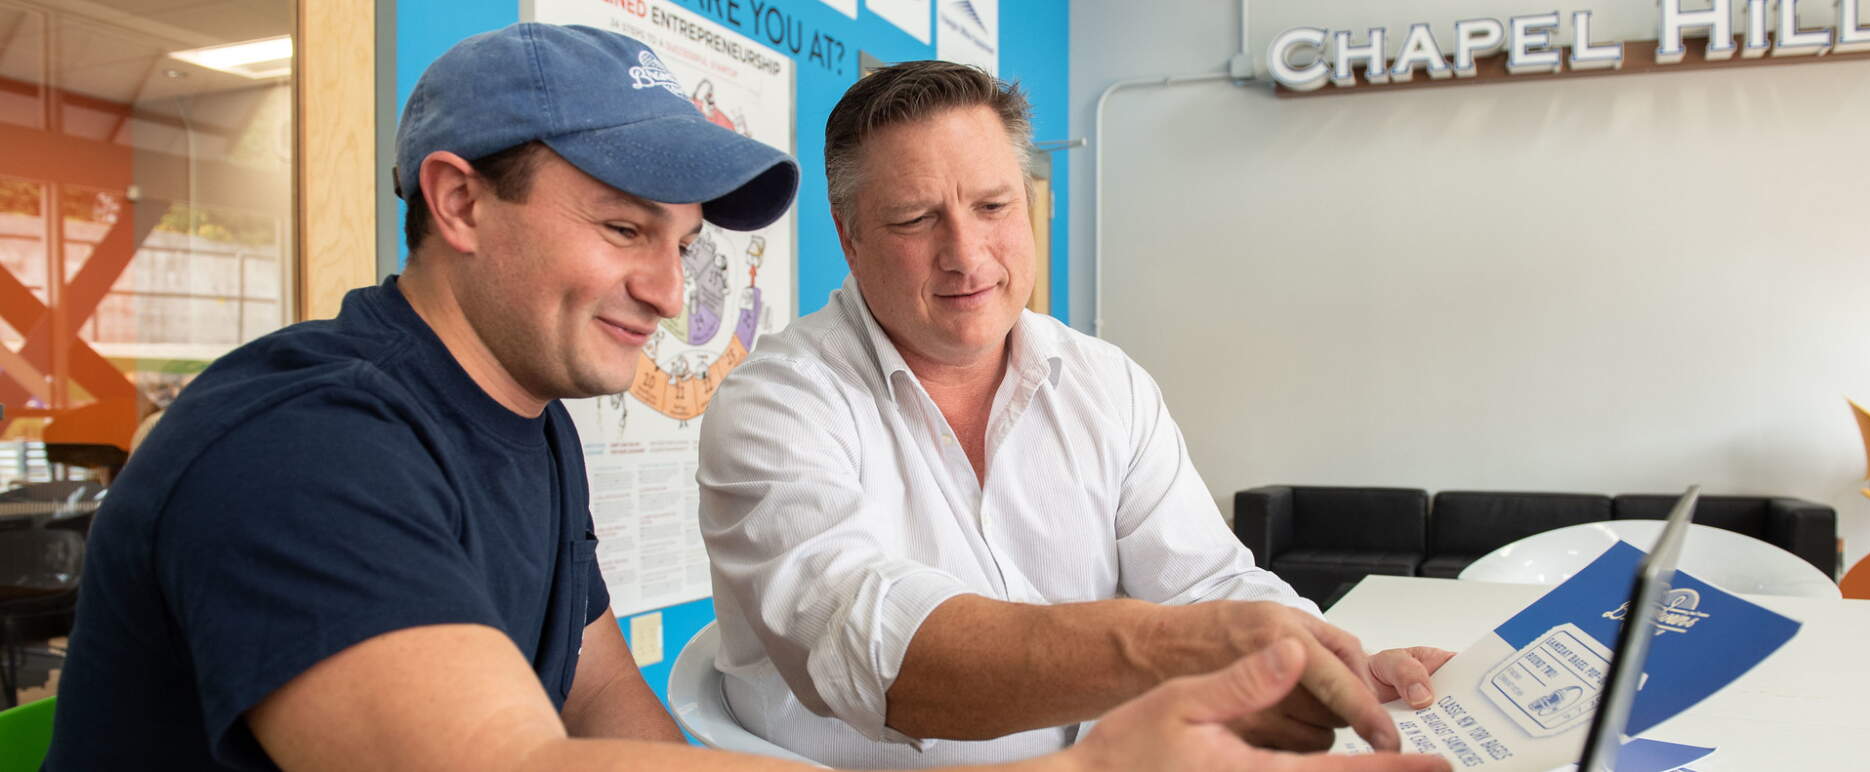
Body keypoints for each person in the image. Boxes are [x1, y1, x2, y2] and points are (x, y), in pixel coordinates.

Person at [42, 23, 1444, 772]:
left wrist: (1294, 663)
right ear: (458, 201)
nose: (666, 287)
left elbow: (604, 713)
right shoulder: (311, 443)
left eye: (682, 239)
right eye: (619, 227)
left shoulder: (522, 432)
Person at [698, 60, 1452, 769]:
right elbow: (880, 652)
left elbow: (1206, 585)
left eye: (993, 206)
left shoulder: (1106, 383)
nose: (966, 254)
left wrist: (1335, 658)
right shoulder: (775, 406)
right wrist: (1170, 649)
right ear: (849, 236)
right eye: (915, 219)